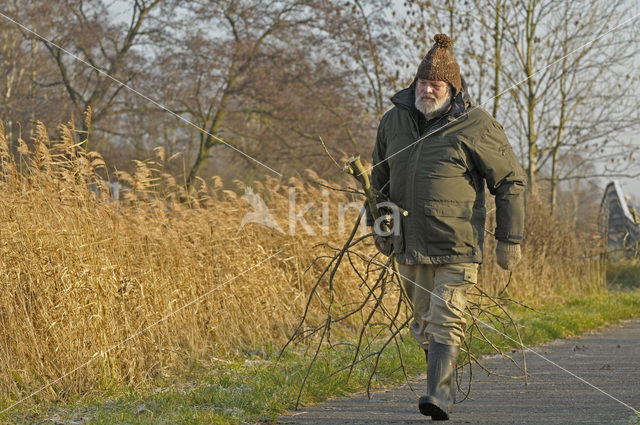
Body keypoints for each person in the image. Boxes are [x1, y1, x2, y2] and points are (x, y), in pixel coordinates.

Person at [367, 34, 526, 421]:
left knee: (446, 315)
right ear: (415, 84)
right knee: (424, 324)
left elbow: (510, 181)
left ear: (453, 88)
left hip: (458, 244)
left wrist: (509, 238)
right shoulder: (394, 121)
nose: (428, 89)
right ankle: (438, 387)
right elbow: (379, 180)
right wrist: (379, 225)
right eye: (423, 83)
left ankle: (439, 396)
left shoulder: (476, 125)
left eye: (436, 84)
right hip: (409, 244)